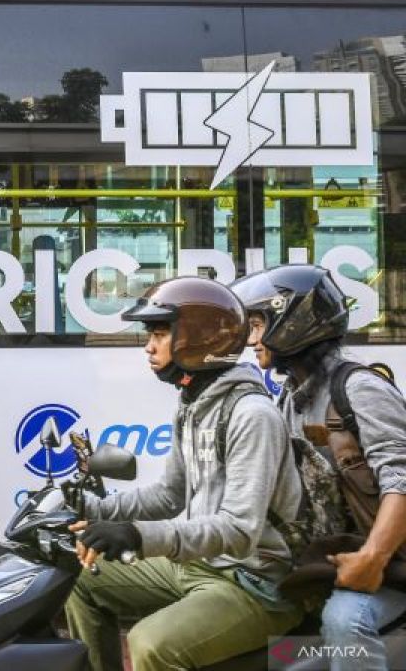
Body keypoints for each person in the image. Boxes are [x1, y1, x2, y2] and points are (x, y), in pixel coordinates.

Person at [64, 276, 304, 671]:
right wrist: (92, 508)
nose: (148, 345)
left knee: (150, 643)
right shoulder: (193, 403)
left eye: (159, 333)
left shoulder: (252, 415)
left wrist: (138, 535)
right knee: (80, 577)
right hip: (197, 565)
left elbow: (239, 531)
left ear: (198, 339)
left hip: (253, 582)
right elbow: (168, 496)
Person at [232, 265, 406, 670]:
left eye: (258, 325)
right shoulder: (292, 397)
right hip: (331, 555)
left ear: (293, 325)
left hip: (391, 564)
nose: (250, 340)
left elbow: (402, 479)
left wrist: (372, 559)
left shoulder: (360, 389)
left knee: (345, 620)